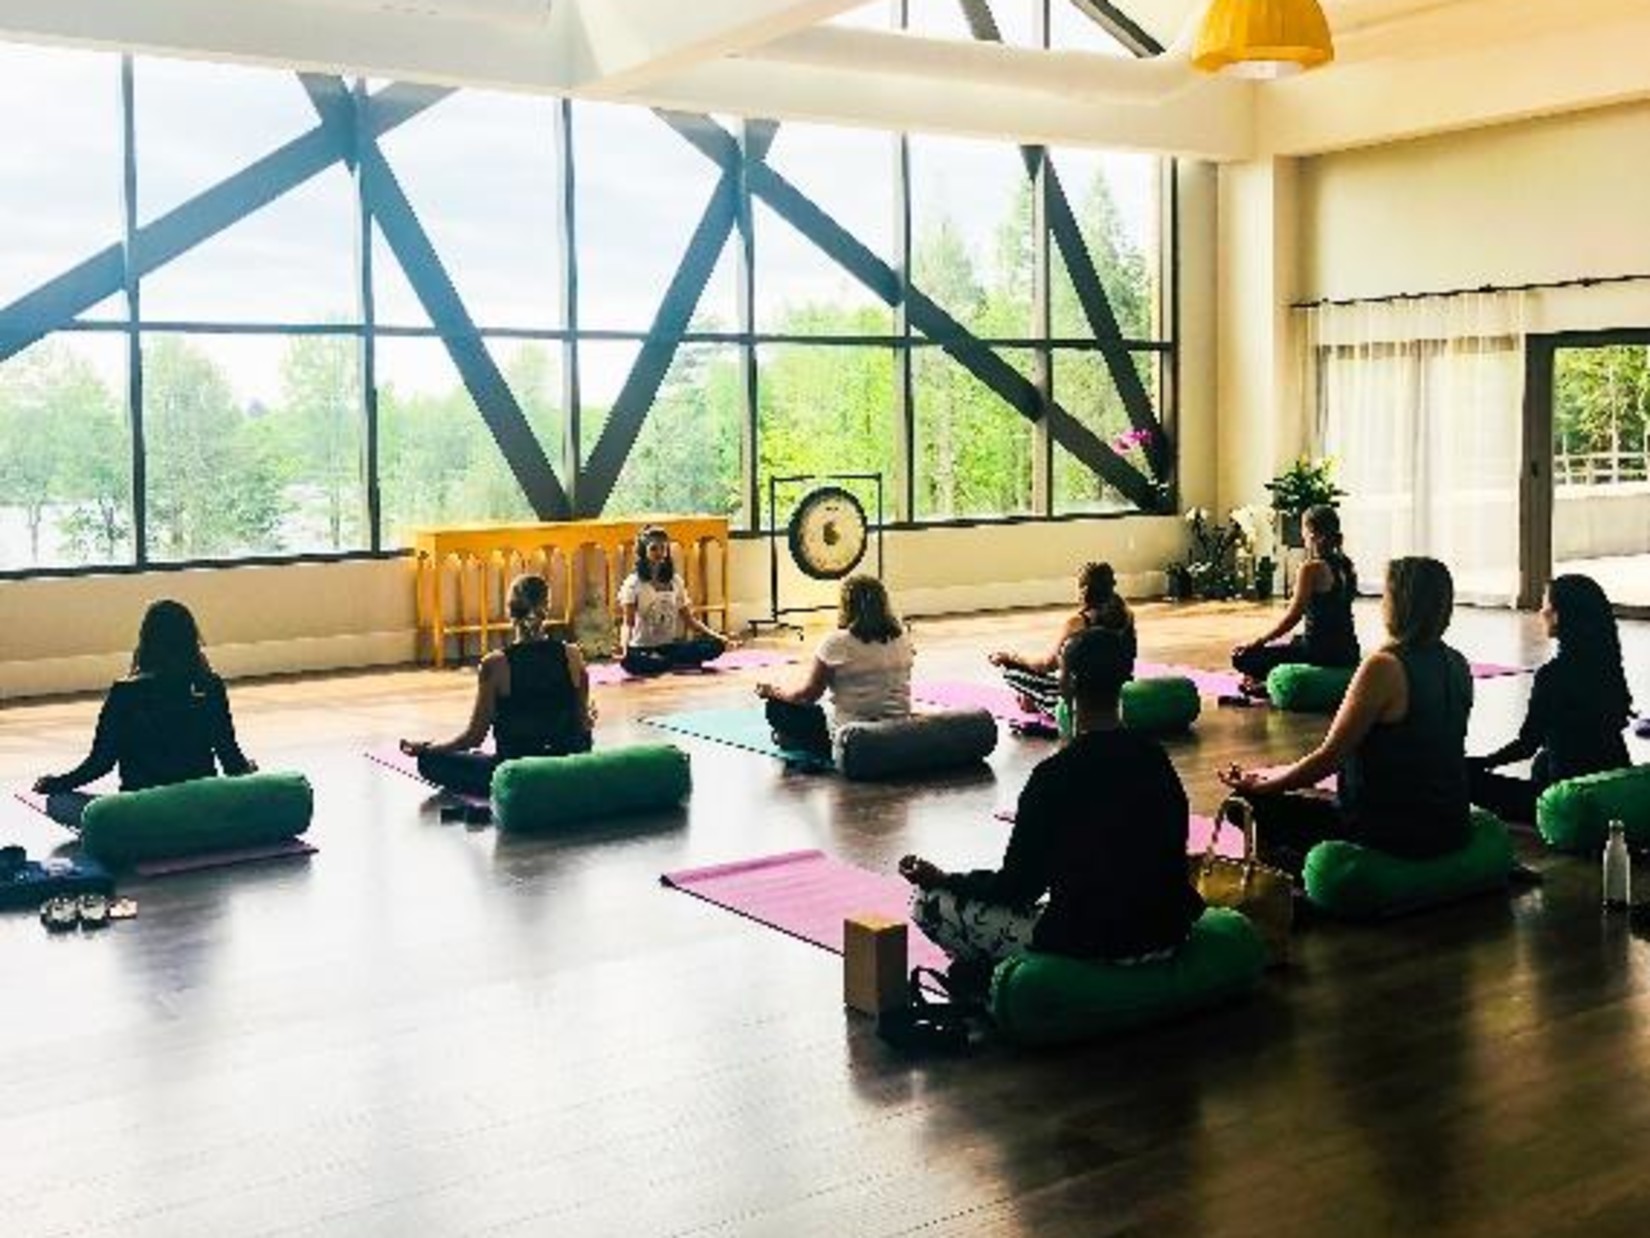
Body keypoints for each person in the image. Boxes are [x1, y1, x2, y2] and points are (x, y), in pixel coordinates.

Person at [899, 627, 1204, 993]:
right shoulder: (1156, 758)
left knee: (926, 903)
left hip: (1099, 942)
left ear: (1069, 682)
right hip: (1166, 931)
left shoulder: (1054, 776)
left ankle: (1001, 978)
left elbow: (1018, 888)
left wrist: (945, 879)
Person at [1221, 556, 1473, 870]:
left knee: (1244, 804)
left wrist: (1259, 786)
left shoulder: (1384, 667)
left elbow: (1328, 758)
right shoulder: (1458, 663)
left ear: (1398, 603)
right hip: (1452, 825)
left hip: (1390, 833)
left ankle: (1294, 876)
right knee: (1310, 796)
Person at [33, 600, 256, 827]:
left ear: (146, 641)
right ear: (192, 640)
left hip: (142, 811)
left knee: (58, 802)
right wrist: (251, 776)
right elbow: (231, 761)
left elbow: (101, 763)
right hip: (198, 806)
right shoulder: (210, 685)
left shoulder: (125, 692)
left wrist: (57, 784)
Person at [400, 574, 593, 798]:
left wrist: (428, 749)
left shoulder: (495, 664)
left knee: (429, 762)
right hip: (564, 771)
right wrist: (587, 716)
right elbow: (582, 725)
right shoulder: (573, 655)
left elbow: (473, 738)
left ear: (509, 612)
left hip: (517, 775)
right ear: (546, 609)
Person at [1470, 574, 1633, 824]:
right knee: (1544, 760)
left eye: (1545, 607)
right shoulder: (1609, 667)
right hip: (1615, 791)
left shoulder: (1553, 676)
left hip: (1570, 805)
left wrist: (1481, 763)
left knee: (1464, 777)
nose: (1540, 613)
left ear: (1559, 615)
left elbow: (1526, 745)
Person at [755, 575, 914, 757]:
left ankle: (800, 742)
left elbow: (807, 696)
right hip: (899, 730)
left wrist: (773, 691)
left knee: (779, 706)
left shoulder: (836, 642)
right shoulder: (903, 638)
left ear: (847, 604)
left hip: (853, 737)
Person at [1231, 504, 1359, 697]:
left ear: (1311, 533)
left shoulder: (1311, 569)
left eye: (1303, 530)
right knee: (1296, 641)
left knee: (1242, 658)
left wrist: (1258, 643)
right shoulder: (1346, 564)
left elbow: (1292, 617)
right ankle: (1266, 680)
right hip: (1348, 651)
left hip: (1319, 653)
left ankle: (1268, 684)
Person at [988, 561, 1137, 718]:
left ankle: (1040, 702)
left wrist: (1011, 657)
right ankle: (1035, 699)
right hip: (1117, 693)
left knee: (1009, 670)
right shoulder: (1126, 613)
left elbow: (1046, 665)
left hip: (1083, 702)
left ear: (1084, 589)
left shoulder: (1078, 622)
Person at [617, 525, 729, 676]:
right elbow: (628, 623)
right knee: (629, 661)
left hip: (670, 647)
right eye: (654, 548)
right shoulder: (633, 583)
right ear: (644, 551)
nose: (660, 553)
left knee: (716, 645)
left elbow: (690, 620)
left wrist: (717, 636)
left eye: (663, 548)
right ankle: (674, 663)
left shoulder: (675, 581)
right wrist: (623, 647)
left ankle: (667, 663)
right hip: (643, 649)